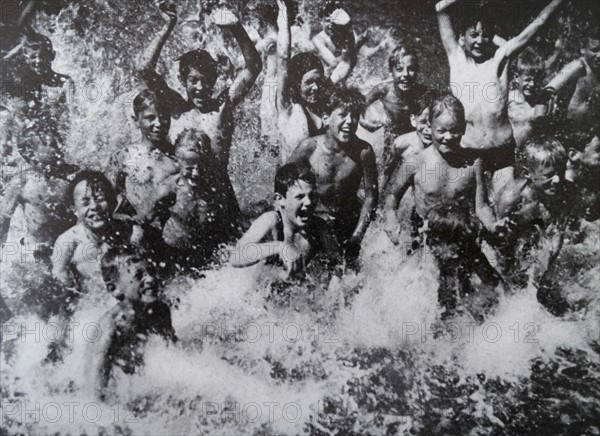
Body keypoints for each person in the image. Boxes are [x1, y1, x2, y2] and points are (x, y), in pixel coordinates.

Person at [436, 0, 564, 176]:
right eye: (474, 35)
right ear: (462, 37)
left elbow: (539, 23)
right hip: (468, 154)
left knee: (506, 201)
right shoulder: (457, 61)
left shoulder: (501, 61)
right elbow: (441, 9)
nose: (480, 41)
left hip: (502, 155)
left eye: (486, 35)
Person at [136, 0, 261, 172]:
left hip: (219, 196)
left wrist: (236, 27)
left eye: (206, 80)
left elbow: (253, 67)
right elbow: (144, 69)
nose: (200, 87)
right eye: (193, 80)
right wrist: (168, 25)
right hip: (184, 196)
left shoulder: (223, 107)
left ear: (215, 79)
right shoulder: (176, 110)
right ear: (182, 81)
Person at [383, 95, 495, 248]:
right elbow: (392, 194)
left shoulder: (474, 163)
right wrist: (390, 216)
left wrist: (494, 226)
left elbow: (481, 206)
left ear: (463, 128)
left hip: (460, 234)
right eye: (441, 131)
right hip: (424, 237)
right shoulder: (415, 162)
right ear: (430, 126)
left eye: (454, 130)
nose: (448, 137)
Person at [289, 85, 378, 264]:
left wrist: (357, 236)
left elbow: (371, 196)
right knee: (296, 267)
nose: (350, 121)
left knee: (346, 280)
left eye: (354, 116)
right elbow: (285, 185)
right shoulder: (309, 148)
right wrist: (292, 225)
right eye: (343, 115)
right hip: (313, 222)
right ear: (326, 118)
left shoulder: (363, 152)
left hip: (347, 222)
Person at [86, 247, 177, 400]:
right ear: (114, 289)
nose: (151, 279)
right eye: (139, 275)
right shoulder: (111, 328)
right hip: (115, 386)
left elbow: (172, 352)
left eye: (152, 272)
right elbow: (94, 390)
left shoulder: (161, 311)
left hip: (137, 381)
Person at [107, 89, 179, 264]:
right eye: (150, 117)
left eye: (163, 117)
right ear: (136, 120)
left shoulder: (178, 158)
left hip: (170, 238)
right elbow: (107, 198)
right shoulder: (124, 156)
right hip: (136, 237)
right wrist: (124, 219)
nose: (159, 123)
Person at [231, 163, 340, 277]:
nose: (308, 202)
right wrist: (280, 247)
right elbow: (236, 257)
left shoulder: (319, 227)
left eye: (312, 196)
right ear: (280, 199)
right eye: (300, 197)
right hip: (258, 290)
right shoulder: (271, 220)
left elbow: (338, 265)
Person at [161, 129, 236, 271]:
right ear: (177, 163)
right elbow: (146, 220)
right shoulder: (169, 189)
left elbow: (232, 220)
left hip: (207, 252)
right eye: (189, 168)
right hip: (174, 253)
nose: (196, 173)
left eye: (202, 167)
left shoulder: (216, 190)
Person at [52, 171, 136, 296]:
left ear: (112, 201)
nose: (95, 206)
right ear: (73, 208)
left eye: (100, 199)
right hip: (95, 305)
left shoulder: (128, 230)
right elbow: (60, 285)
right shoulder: (68, 241)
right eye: (85, 203)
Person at [1, 131, 78, 262]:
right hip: (36, 250)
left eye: (60, 143)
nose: (60, 148)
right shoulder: (22, 181)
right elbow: (3, 219)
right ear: (31, 154)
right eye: (52, 145)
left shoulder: (73, 176)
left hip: (68, 249)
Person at [424, 205, 504, 320]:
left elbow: (500, 289)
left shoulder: (467, 250)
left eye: (460, 244)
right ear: (437, 242)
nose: (457, 251)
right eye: (454, 246)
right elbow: (426, 315)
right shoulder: (425, 269)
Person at [275, 0, 329, 163]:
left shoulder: (325, 107)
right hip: (292, 185)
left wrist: (346, 28)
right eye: (309, 83)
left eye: (319, 82)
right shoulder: (287, 107)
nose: (315, 88)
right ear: (296, 84)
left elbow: (347, 63)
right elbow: (283, 57)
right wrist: (284, 17)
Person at [360, 46, 428, 141]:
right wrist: (364, 122)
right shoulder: (383, 90)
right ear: (390, 71)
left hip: (415, 137)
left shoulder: (423, 92)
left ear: (417, 71)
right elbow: (359, 105)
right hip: (392, 136)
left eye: (411, 69)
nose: (406, 74)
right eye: (399, 69)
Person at [380, 91, 435, 192]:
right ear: (413, 120)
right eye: (423, 122)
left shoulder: (444, 147)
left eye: (433, 124)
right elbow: (387, 172)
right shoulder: (402, 145)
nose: (429, 130)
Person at [311, 0, 359, 84]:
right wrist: (352, 47)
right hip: (327, 78)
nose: (331, 25)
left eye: (333, 22)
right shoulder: (318, 40)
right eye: (327, 21)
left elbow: (363, 53)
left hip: (342, 74)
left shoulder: (343, 35)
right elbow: (333, 63)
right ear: (320, 21)